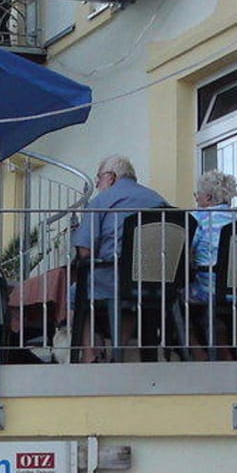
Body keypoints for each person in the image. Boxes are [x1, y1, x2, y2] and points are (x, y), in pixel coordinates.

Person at [70, 155, 169, 363]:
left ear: (111, 177)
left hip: (114, 277)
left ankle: (89, 355)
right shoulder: (158, 200)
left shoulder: (101, 201)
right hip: (158, 282)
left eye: (98, 178)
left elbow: (85, 253)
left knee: (74, 292)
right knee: (131, 293)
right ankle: (118, 352)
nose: (97, 184)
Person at [187, 169, 237, 308]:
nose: (196, 199)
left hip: (208, 290)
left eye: (197, 194)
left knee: (171, 296)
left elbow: (184, 251)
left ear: (208, 197)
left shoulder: (198, 218)